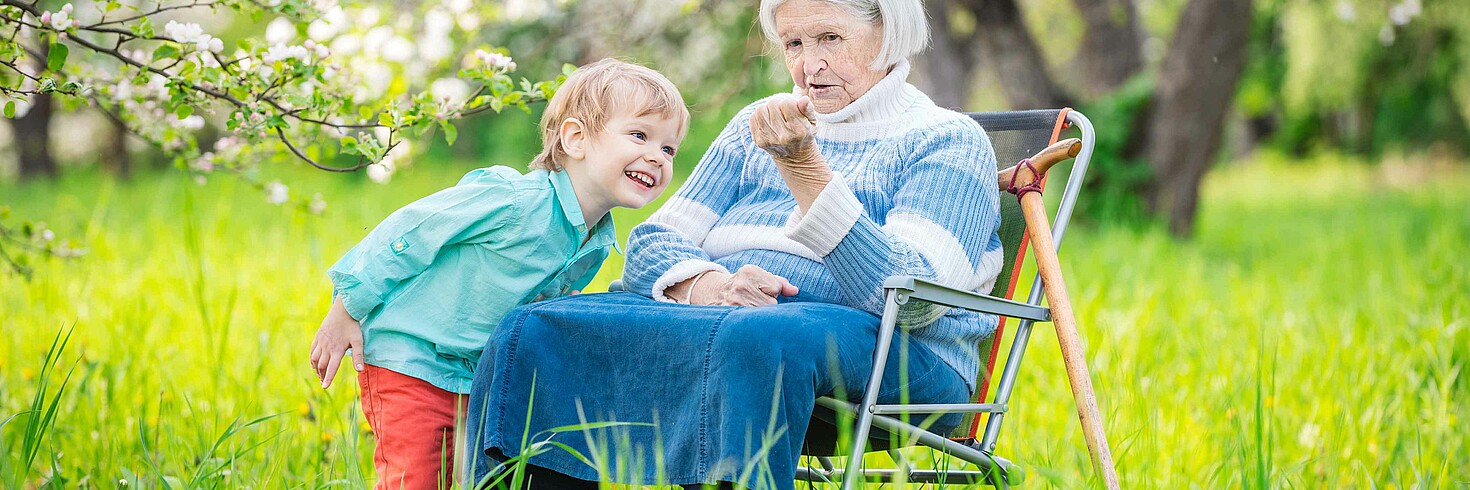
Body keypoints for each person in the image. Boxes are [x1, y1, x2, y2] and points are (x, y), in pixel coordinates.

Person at [466, 0, 1002, 488]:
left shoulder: (946, 139)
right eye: (794, 43)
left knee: (757, 339)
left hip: (901, 358)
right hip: (724, 320)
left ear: (888, 33)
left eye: (830, 39)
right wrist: (708, 283)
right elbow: (656, 239)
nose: (809, 64)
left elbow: (916, 301)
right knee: (537, 328)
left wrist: (806, 171)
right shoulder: (757, 124)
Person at [307, 58, 689, 490]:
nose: (656, 156)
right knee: (416, 476)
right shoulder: (512, 200)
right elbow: (411, 229)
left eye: (669, 148)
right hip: (411, 357)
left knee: (469, 479)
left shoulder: (597, 241)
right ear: (576, 138)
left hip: (478, 374)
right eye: (640, 135)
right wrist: (347, 307)